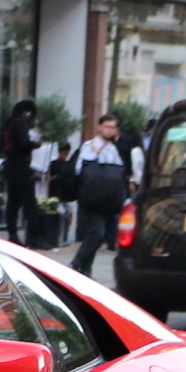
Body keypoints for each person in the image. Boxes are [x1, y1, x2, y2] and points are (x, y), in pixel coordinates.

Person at [69, 112, 131, 277]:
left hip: (106, 199)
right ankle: (75, 264)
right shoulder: (89, 146)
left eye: (113, 127)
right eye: (107, 126)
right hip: (91, 198)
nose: (110, 130)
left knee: (94, 234)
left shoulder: (114, 149)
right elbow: (78, 170)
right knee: (98, 233)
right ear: (99, 127)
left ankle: (86, 270)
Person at [0, 97, 40, 245]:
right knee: (29, 203)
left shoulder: (8, 123)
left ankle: (12, 234)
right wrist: (35, 144)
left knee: (13, 202)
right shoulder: (20, 123)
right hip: (20, 165)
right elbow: (23, 143)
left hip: (10, 165)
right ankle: (34, 237)